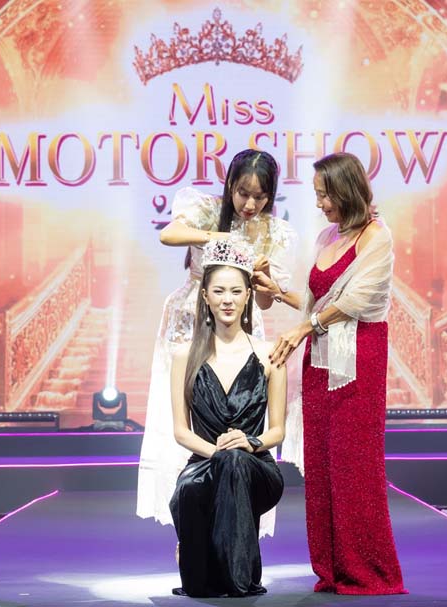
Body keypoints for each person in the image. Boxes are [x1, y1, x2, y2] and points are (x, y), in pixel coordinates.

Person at [136, 149, 297, 534]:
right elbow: (168, 234)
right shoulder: (207, 208)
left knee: (238, 410)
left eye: (260, 197)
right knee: (183, 414)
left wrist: (263, 282)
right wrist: (218, 236)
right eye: (243, 193)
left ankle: (236, 515)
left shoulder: (271, 231)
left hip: (241, 320)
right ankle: (187, 521)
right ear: (230, 186)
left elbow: (263, 301)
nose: (250, 204)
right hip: (192, 318)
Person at [271, 152, 406, 595]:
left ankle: (368, 571)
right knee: (323, 466)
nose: (319, 203)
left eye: (324, 195)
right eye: (316, 195)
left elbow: (356, 301)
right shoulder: (329, 236)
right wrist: (280, 293)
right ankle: (332, 568)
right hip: (320, 362)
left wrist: (304, 328)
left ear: (346, 191)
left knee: (354, 466)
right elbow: (317, 301)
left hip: (357, 365)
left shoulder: (376, 236)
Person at [170, 237, 286, 597]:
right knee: (200, 482)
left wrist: (249, 443)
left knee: (235, 462)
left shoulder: (269, 354)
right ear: (205, 296)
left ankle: (239, 580)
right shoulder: (184, 356)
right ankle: (207, 573)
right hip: (204, 462)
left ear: (248, 296)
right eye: (219, 291)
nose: (227, 300)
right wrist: (218, 452)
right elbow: (181, 432)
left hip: (256, 466)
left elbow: (277, 431)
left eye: (236, 291)